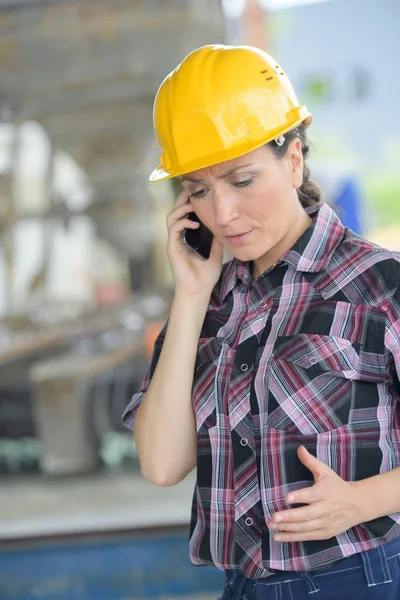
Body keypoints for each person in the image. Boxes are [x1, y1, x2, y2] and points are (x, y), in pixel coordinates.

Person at [123, 45, 400, 599]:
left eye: (241, 180)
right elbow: (161, 463)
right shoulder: (207, 302)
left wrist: (362, 501)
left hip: (358, 579)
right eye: (199, 190)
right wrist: (193, 294)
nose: (222, 214)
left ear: (293, 159)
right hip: (243, 586)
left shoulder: (379, 284)